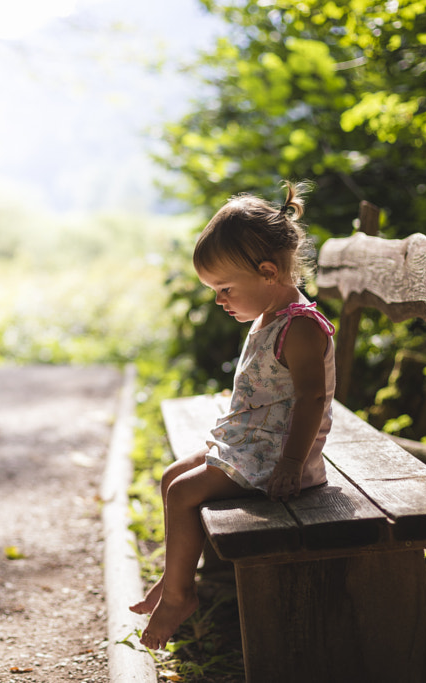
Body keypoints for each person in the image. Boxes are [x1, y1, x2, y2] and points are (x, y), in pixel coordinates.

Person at [130, 181, 336, 650]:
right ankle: (174, 579)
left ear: (267, 272)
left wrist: (290, 464)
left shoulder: (301, 327)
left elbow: (312, 399)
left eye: (225, 288)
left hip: (280, 457)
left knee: (185, 493)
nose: (220, 300)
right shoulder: (269, 314)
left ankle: (181, 595)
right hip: (255, 442)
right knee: (171, 477)